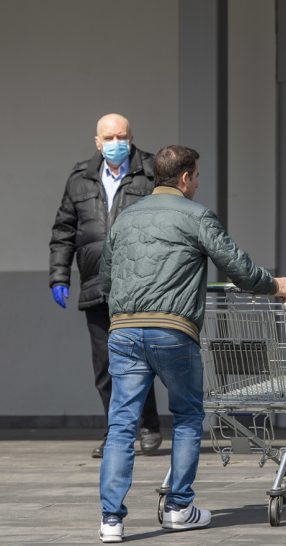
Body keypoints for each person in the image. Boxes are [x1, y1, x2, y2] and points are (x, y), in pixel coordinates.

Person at [97, 145, 286, 542]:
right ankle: (178, 507)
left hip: (122, 330)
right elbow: (237, 266)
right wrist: (274, 285)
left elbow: (105, 278)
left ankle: (111, 521)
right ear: (185, 178)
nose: (198, 183)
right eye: (197, 176)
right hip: (172, 331)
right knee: (187, 416)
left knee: (121, 425)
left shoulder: (125, 217)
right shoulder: (196, 215)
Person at [49, 113, 163, 458]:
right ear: (98, 142)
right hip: (96, 282)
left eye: (123, 136)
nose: (117, 143)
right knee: (105, 365)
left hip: (139, 284)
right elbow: (64, 230)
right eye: (110, 138)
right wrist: (59, 276)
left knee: (139, 360)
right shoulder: (80, 178)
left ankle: (148, 425)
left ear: (131, 136)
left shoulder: (150, 172)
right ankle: (117, 432)